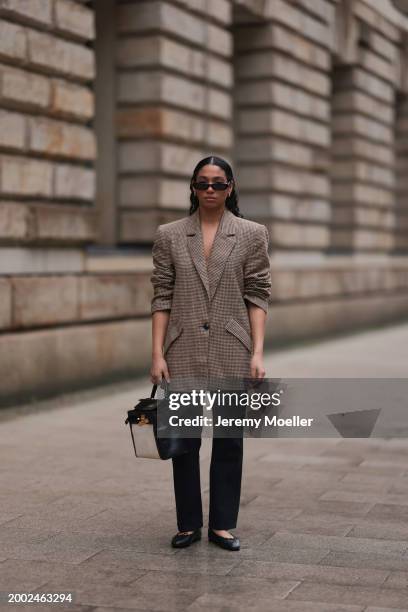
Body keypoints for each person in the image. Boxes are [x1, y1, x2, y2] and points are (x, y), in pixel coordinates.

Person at [149, 155, 272, 551]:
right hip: (181, 347)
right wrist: (157, 354)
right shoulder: (169, 234)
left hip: (231, 347)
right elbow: (161, 296)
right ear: (193, 187)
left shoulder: (252, 233)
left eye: (218, 183)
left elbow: (258, 294)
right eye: (202, 183)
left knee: (229, 438)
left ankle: (222, 525)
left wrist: (257, 352)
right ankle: (188, 523)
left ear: (231, 187)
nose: (210, 190)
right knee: (183, 439)